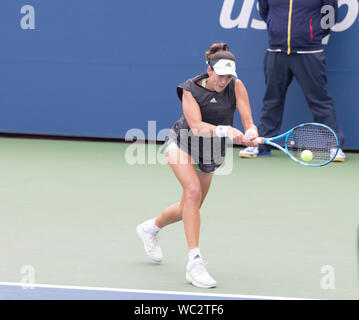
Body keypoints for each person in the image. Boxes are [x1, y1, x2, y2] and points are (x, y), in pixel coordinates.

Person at [136, 43, 258, 288]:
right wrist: (226, 130)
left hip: (211, 150)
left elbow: (247, 117)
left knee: (189, 207)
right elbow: (197, 126)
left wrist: (251, 131)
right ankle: (194, 263)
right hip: (182, 142)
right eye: (220, 75)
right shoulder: (190, 89)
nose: (224, 81)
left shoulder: (237, 85)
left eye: (228, 76)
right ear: (209, 70)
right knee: (192, 192)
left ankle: (150, 228)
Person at [240, 0, 346, 162]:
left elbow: (330, 16)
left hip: (310, 52)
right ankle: (262, 145)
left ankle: (333, 146)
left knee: (319, 101)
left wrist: (312, 33)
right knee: (271, 101)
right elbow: (264, 11)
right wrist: (274, 27)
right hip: (276, 51)